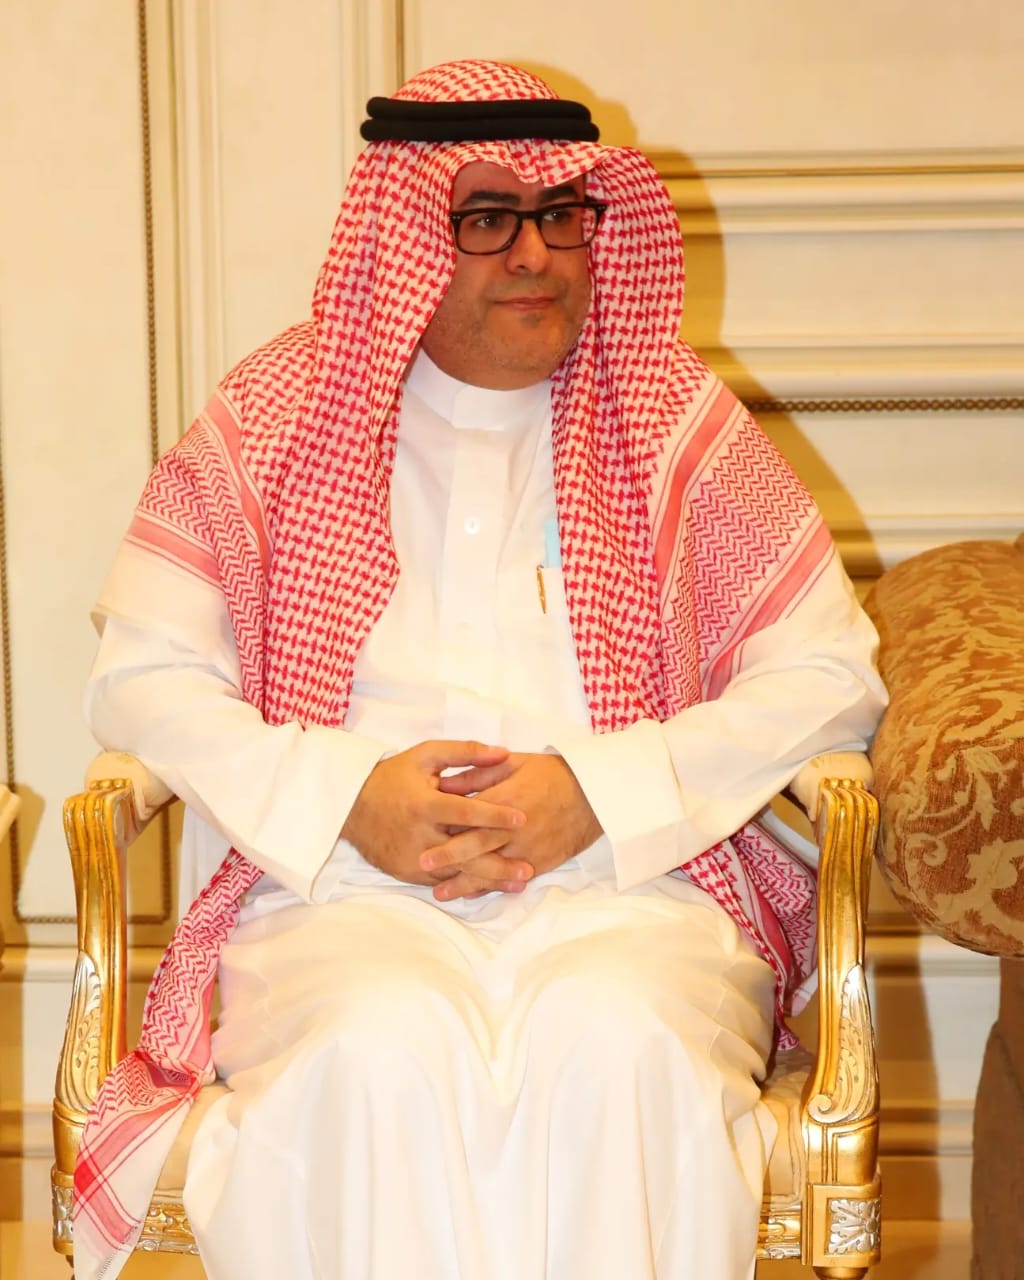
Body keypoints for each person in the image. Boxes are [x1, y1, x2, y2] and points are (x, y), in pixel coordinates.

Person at [72, 58, 886, 1280]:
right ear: (403, 233)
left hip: (634, 891)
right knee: (377, 1048)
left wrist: (600, 793)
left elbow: (829, 675)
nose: (537, 254)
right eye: (488, 218)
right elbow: (142, 675)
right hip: (337, 891)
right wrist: (344, 794)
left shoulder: (672, 420)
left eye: (561, 214)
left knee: (619, 1045)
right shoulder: (274, 416)